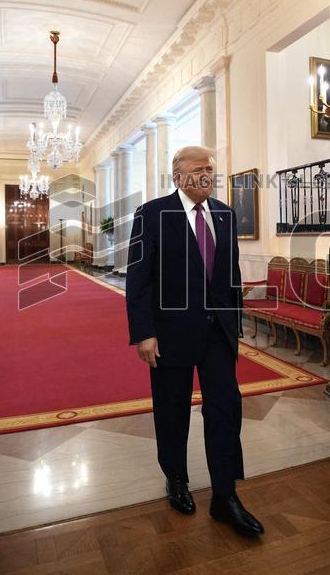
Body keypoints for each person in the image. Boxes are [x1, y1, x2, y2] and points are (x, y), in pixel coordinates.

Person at [124, 146, 264, 537]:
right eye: (200, 169)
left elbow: (229, 273)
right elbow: (139, 279)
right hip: (170, 334)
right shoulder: (151, 215)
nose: (207, 175)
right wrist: (144, 333)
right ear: (179, 176)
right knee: (172, 410)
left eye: (211, 169)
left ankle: (225, 495)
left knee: (225, 409)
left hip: (218, 333)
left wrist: (235, 322)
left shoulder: (224, 213)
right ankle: (177, 478)